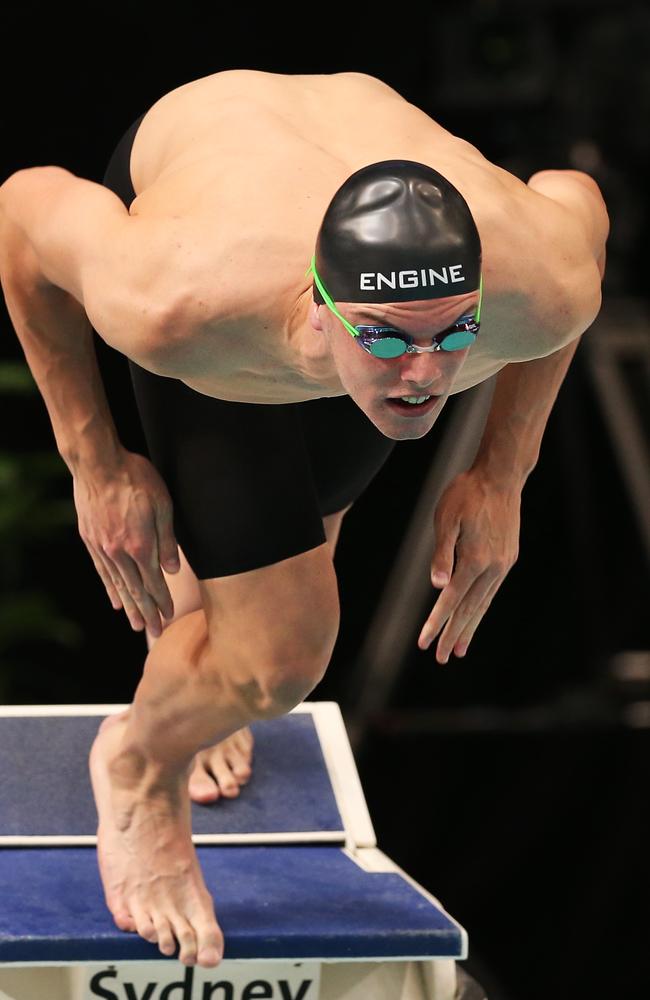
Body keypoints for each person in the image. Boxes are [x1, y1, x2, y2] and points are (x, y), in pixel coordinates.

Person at [0, 69, 608, 969]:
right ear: (322, 312)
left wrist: (502, 473)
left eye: (455, 335)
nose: (425, 378)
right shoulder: (174, 294)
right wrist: (96, 463)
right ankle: (138, 769)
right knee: (281, 656)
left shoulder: (539, 282)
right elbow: (22, 212)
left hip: (335, 228)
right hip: (221, 237)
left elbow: (574, 199)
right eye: (389, 337)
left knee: (250, 615)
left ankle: (203, 655)